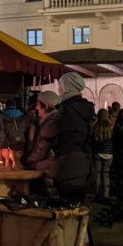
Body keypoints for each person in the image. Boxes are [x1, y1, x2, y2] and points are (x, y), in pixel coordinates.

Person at [53, 72, 95, 200]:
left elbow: (60, 134)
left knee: (68, 200)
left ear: (67, 86)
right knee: (78, 199)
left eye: (60, 85)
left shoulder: (66, 109)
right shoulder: (85, 108)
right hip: (84, 156)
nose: (59, 89)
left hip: (68, 158)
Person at [21, 91, 61, 194]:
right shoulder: (51, 120)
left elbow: (39, 151)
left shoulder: (49, 124)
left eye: (38, 104)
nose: (36, 108)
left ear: (46, 106)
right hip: (50, 169)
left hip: (47, 171)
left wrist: (23, 161)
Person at [91, 107, 115, 200]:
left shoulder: (95, 126)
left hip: (97, 152)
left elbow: (92, 139)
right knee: (106, 175)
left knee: (97, 174)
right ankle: (106, 195)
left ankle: (96, 194)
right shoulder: (111, 126)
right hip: (108, 153)